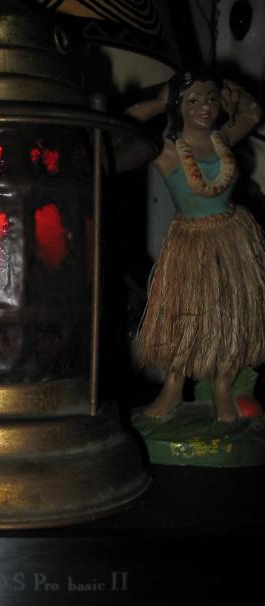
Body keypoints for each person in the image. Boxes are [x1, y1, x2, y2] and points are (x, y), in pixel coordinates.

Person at [126, 69, 265, 422]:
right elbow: (124, 126)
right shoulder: (168, 152)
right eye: (193, 101)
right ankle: (173, 390)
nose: (204, 107)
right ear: (178, 106)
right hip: (189, 243)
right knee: (182, 317)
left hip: (231, 238)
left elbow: (253, 113)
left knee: (228, 314)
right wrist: (158, 101)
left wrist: (233, 88)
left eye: (211, 99)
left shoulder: (223, 139)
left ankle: (223, 388)